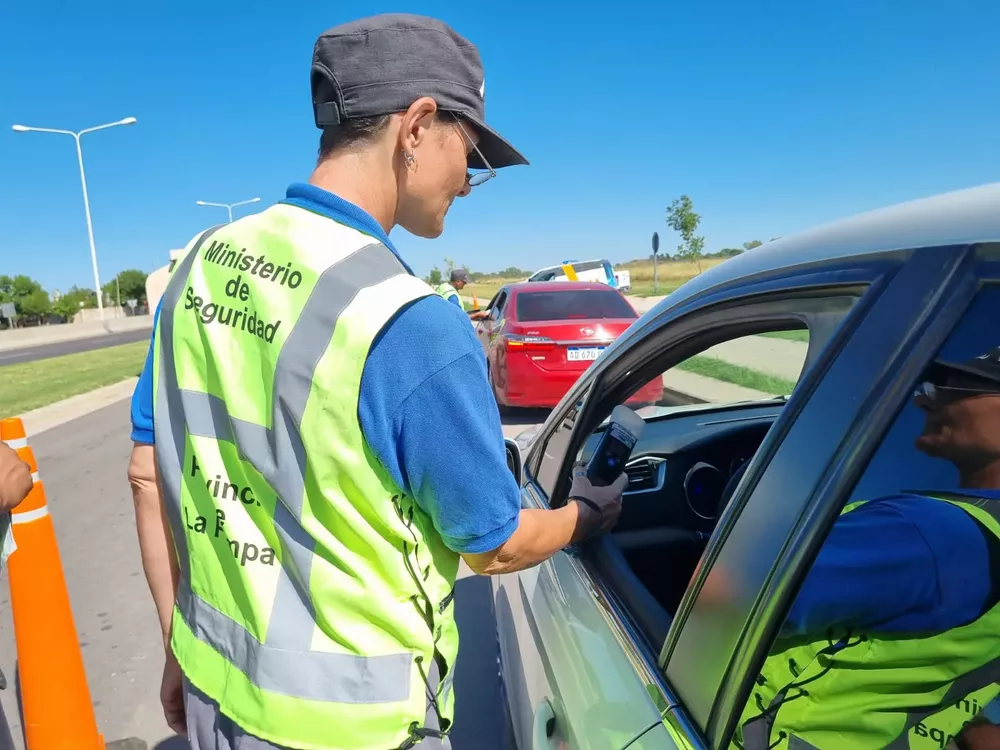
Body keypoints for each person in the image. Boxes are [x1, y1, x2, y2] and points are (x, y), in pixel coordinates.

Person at [127, 13, 627, 750]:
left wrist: (177, 643)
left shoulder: (201, 264)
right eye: (471, 153)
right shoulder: (408, 323)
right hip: (353, 724)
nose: (468, 182)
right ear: (417, 127)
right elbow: (495, 546)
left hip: (214, 686)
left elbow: (147, 475)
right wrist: (587, 515)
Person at [733, 348, 1000, 749]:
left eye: (960, 387)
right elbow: (945, 669)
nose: (924, 399)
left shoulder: (930, 533)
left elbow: (731, 595)